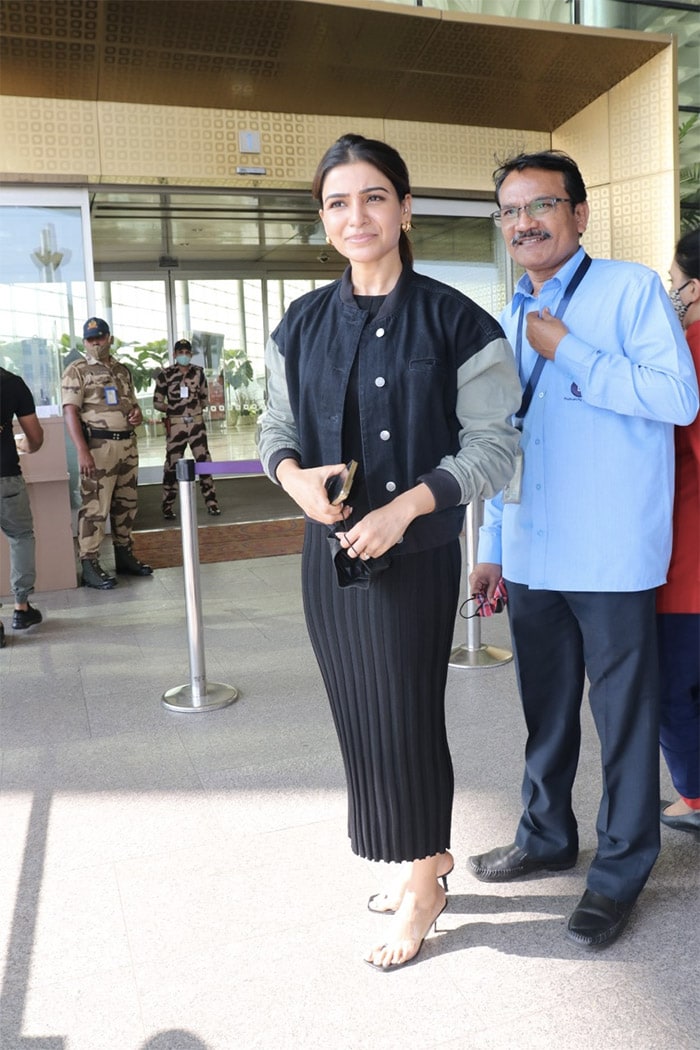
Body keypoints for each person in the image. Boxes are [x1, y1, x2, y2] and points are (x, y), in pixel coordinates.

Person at [257, 133, 521, 970]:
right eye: (338, 201)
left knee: (405, 712)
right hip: (326, 557)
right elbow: (276, 430)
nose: (356, 214)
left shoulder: (458, 321)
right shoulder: (300, 323)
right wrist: (294, 479)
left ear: (406, 208)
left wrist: (409, 506)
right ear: (323, 218)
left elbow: (495, 449)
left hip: (413, 557)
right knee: (360, 712)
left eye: (374, 196)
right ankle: (425, 858)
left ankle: (424, 884)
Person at [468, 150, 699, 948]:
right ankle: (545, 836)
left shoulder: (630, 290)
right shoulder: (505, 314)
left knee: (624, 719)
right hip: (533, 552)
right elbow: (504, 437)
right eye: (510, 211)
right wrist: (492, 543)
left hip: (611, 554)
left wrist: (572, 351)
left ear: (579, 214)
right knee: (545, 713)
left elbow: (677, 396)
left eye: (541, 205)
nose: (524, 222)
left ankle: (622, 870)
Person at [657, 228, 700, 834]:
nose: (673, 294)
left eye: (674, 284)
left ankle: (696, 798)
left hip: (687, 566)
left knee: (672, 691)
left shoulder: (690, 346)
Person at [62, 317, 153, 589]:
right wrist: (82, 451)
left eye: (100, 337)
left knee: (126, 504)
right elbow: (70, 412)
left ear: (109, 338)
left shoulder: (122, 370)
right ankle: (89, 564)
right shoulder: (76, 370)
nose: (95, 343)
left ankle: (124, 556)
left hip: (127, 445)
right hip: (98, 448)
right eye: (90, 339)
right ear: (84, 342)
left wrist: (137, 414)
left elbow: (132, 405)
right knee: (95, 508)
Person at [152, 338, 220, 519]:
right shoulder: (165, 375)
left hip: (196, 425)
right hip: (176, 426)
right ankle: (167, 506)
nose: (184, 355)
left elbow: (205, 398)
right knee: (172, 465)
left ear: (191, 354)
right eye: (180, 352)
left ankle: (212, 503)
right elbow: (157, 402)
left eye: (187, 352)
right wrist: (172, 409)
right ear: (174, 354)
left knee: (204, 462)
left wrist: (194, 408)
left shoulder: (198, 373)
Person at [0, 367, 44, 645]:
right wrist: (25, 446)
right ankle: (21, 608)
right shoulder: (12, 383)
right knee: (20, 538)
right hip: (6, 476)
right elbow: (35, 438)